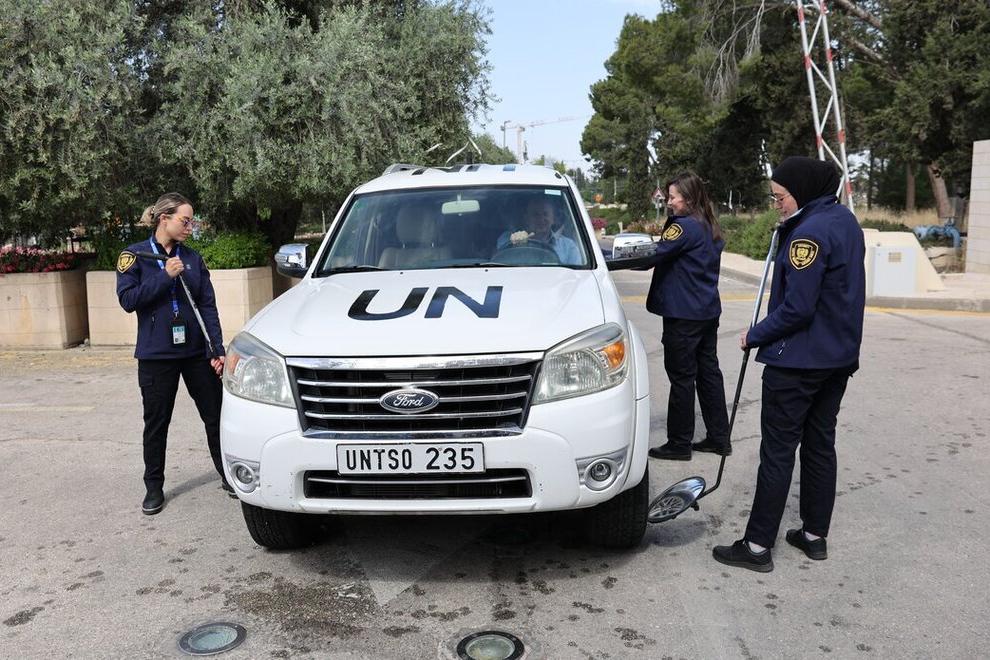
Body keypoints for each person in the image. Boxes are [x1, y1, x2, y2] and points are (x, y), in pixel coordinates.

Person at [713, 157, 865, 572]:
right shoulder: (845, 221)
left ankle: (757, 546)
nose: (776, 204)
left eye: (780, 196)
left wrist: (755, 334)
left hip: (799, 362)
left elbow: (798, 308)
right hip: (836, 358)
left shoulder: (808, 234)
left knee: (778, 452)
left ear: (802, 190)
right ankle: (814, 535)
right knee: (820, 445)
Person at [116, 192, 230, 516]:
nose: (190, 227)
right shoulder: (134, 256)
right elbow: (128, 300)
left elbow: (207, 305)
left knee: (215, 415)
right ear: (164, 218)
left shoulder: (192, 258)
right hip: (156, 356)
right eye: (185, 221)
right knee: (157, 423)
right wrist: (164, 276)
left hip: (195, 353)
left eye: (192, 221)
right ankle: (153, 487)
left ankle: (228, 474)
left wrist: (216, 349)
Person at [642, 172, 731, 461]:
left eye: (673, 198)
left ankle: (679, 443)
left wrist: (613, 260)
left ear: (689, 199)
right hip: (706, 312)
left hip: (683, 315)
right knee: (708, 374)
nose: (669, 203)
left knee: (682, 378)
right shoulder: (708, 223)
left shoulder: (683, 226)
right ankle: (719, 438)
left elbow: (654, 254)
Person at [494, 197, 581, 264]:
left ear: (553, 219)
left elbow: (576, 275)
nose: (541, 219)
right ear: (526, 218)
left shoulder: (568, 246)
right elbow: (496, 264)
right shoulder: (508, 238)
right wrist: (514, 246)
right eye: (535, 214)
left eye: (545, 214)